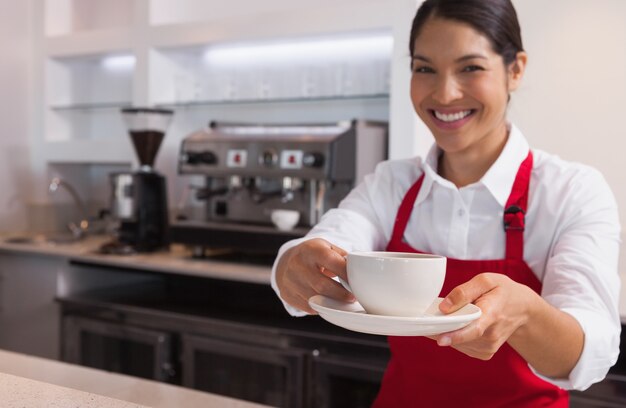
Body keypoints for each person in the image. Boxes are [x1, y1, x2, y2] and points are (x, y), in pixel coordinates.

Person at [271, 0, 621, 406]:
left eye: (470, 67)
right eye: (424, 69)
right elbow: (320, 246)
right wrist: (294, 267)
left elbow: (591, 352)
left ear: (515, 69)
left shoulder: (571, 191)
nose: (444, 93)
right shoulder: (392, 183)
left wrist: (526, 315)